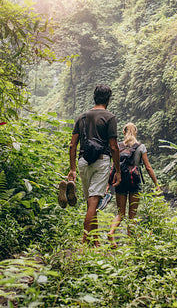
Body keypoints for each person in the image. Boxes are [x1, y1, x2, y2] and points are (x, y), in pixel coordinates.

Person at [64, 84, 121, 247]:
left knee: (91, 202)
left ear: (94, 97)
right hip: (101, 161)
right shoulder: (109, 117)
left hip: (83, 162)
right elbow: (113, 146)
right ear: (108, 99)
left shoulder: (82, 117)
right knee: (94, 201)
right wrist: (117, 170)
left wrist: (73, 168)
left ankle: (95, 241)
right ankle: (85, 240)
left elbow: (72, 145)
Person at [107, 122, 160, 248]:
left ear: (124, 132)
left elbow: (113, 166)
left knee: (121, 213)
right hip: (134, 180)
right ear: (135, 132)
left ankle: (111, 232)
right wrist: (156, 184)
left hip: (120, 180)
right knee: (132, 215)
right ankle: (130, 243)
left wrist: (109, 184)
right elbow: (147, 167)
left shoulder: (118, 146)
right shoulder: (141, 147)